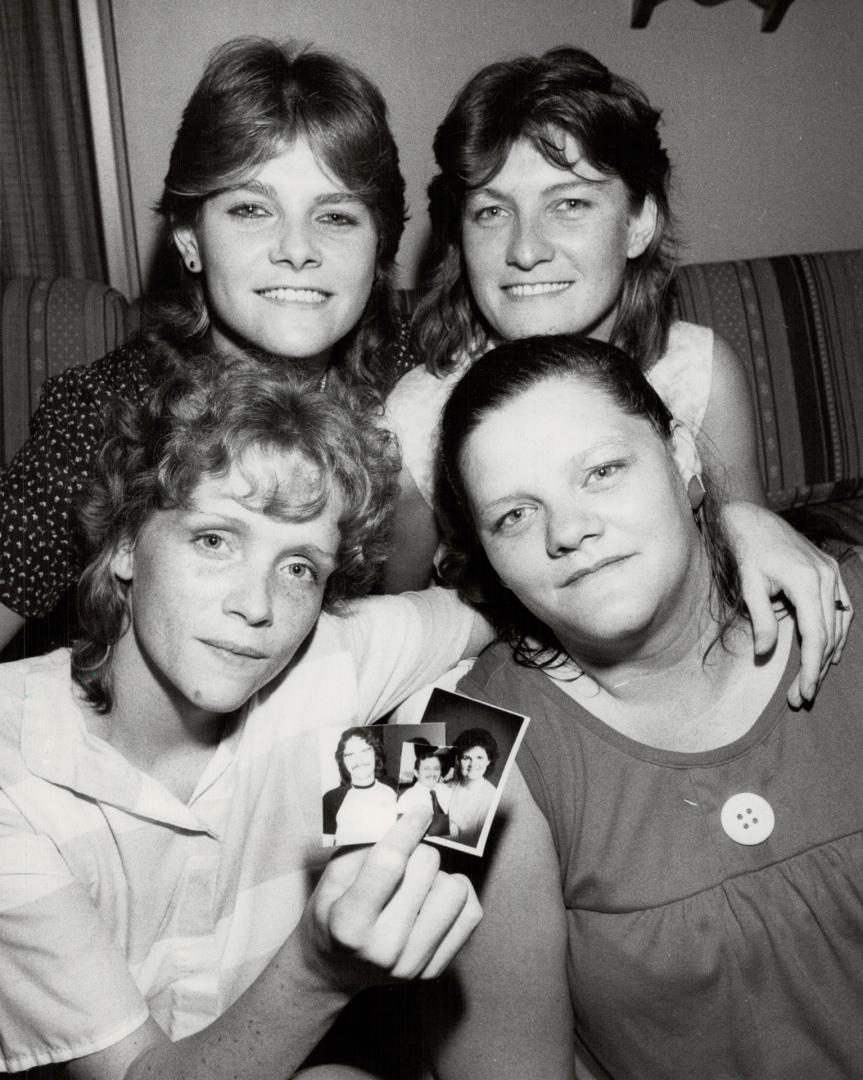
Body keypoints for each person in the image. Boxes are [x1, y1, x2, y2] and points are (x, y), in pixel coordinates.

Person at [0, 352, 494, 1079]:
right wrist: (321, 971)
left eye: (299, 568)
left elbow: (500, 606)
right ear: (129, 543)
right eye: (214, 540)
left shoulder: (332, 656)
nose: (256, 606)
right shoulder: (15, 771)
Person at [426, 334, 863, 1079]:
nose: (567, 532)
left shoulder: (843, 600)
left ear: (683, 458)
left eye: (601, 471)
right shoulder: (455, 746)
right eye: (513, 517)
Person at [383, 45, 851, 708]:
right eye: (492, 211)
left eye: (568, 203)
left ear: (638, 223)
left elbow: (740, 575)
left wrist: (747, 521)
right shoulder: (418, 416)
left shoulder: (697, 371)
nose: (524, 249)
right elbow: (388, 636)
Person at [0, 35, 410, 652]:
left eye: (335, 215)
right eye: (251, 210)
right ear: (190, 238)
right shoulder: (103, 416)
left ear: (379, 246)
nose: (297, 249)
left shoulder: (416, 382)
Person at [322, 728, 397, 846]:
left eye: (365, 751)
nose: (359, 760)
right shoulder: (331, 799)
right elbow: (324, 849)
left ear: (375, 754)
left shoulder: (391, 788)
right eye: (350, 754)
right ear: (343, 761)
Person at [446, 728, 498, 846]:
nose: (473, 764)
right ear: (458, 760)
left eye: (479, 758)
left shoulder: (492, 797)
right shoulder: (449, 785)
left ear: (489, 760)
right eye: (466, 758)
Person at [397, 745, 453, 838]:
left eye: (436, 769)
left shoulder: (448, 791)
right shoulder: (406, 799)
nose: (432, 773)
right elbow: (402, 834)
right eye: (427, 769)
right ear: (416, 773)